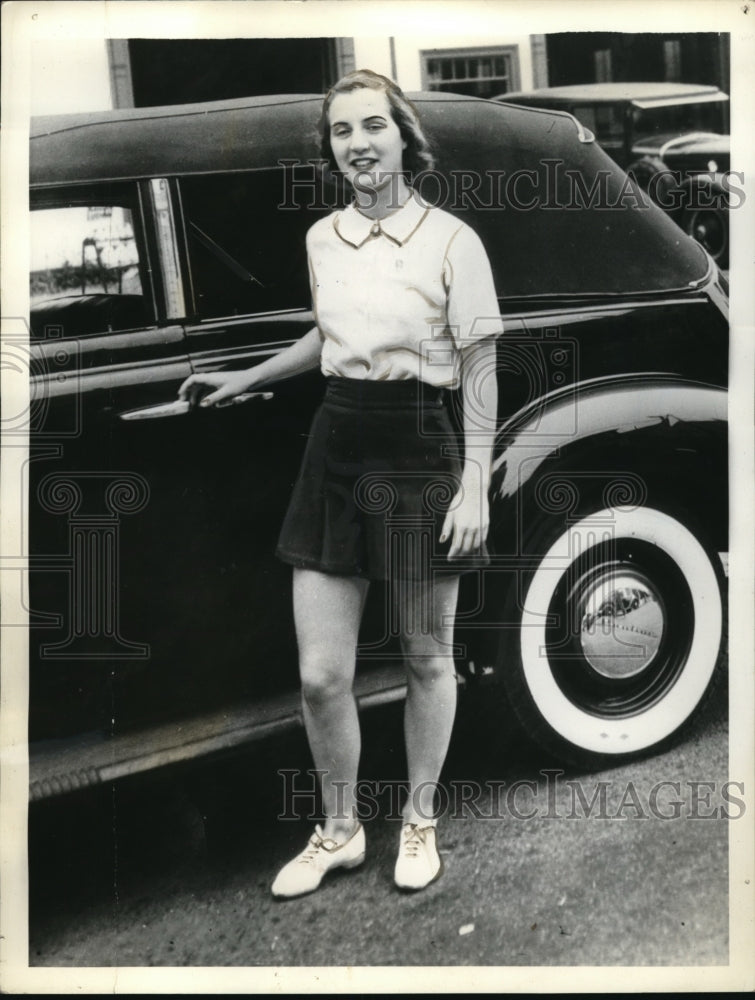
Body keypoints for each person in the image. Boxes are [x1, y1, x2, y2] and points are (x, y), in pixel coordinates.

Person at [178, 69, 502, 898]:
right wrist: (241, 379)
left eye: (372, 127)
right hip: (337, 441)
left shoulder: (451, 240)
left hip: (419, 443)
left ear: (404, 136)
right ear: (330, 148)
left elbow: (478, 365)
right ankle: (341, 829)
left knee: (427, 657)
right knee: (323, 673)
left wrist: (470, 485)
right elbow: (326, 336)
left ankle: (421, 821)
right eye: (340, 132)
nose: (357, 144)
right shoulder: (324, 238)